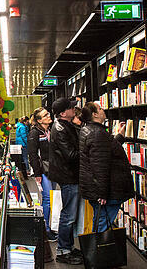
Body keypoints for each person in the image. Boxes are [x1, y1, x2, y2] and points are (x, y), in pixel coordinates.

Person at [78, 101, 134, 233]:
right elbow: (100, 166)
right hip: (106, 192)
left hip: (97, 189)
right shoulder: (97, 133)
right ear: (95, 114)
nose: (103, 111)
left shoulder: (88, 130)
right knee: (102, 224)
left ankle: (96, 250)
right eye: (100, 109)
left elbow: (105, 151)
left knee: (100, 221)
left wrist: (119, 136)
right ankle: (97, 251)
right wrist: (102, 194)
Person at [49, 97, 82, 265]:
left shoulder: (65, 125)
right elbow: (70, 155)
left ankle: (68, 247)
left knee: (70, 214)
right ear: (63, 113)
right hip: (68, 176)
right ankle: (63, 250)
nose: (74, 109)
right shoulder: (61, 129)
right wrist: (88, 150)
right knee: (68, 215)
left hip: (69, 175)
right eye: (71, 107)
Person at [27, 106, 56, 239]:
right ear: (39, 120)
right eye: (45, 115)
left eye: (48, 114)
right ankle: (46, 229)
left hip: (54, 169)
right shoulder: (34, 133)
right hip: (44, 171)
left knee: (53, 198)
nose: (48, 116)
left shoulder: (49, 130)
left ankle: (51, 225)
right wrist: (37, 173)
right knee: (47, 199)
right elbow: (32, 154)